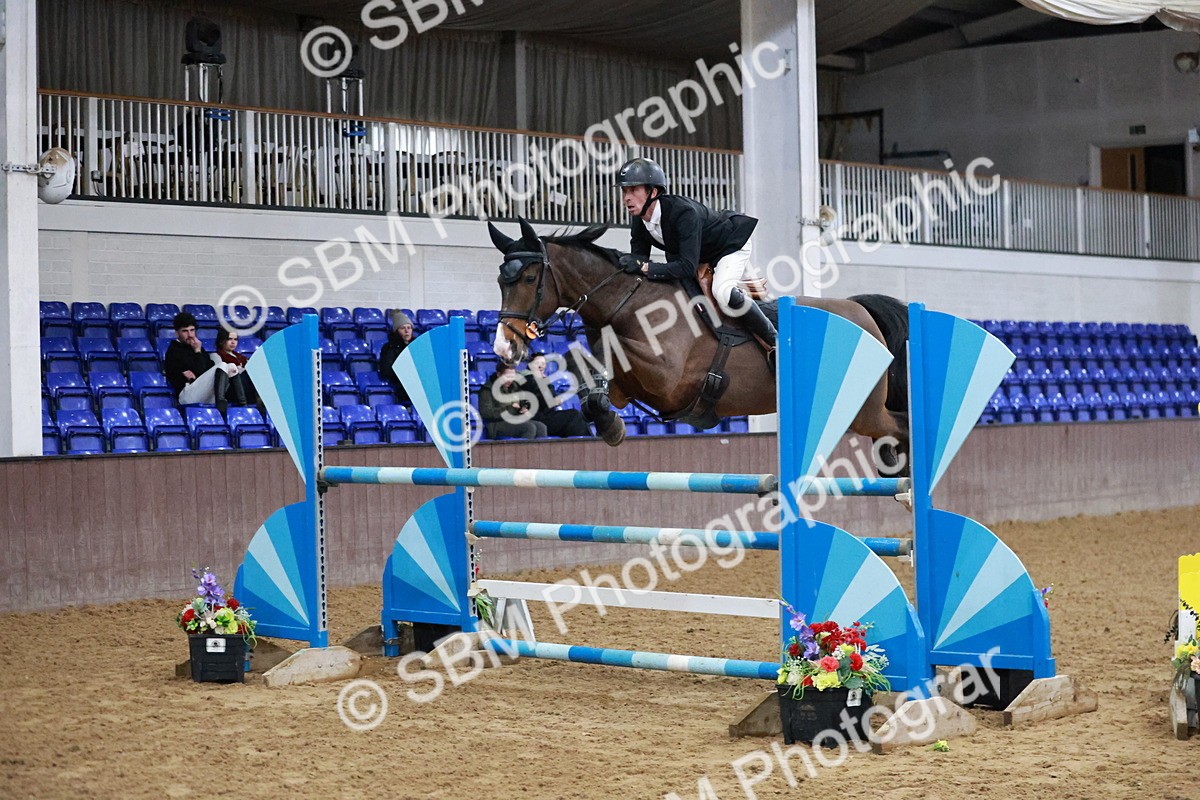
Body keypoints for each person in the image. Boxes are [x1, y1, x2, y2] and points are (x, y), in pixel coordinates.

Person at [614, 156, 777, 363]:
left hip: (729, 245)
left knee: (723, 292)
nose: (627, 197)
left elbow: (686, 266)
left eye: (634, 190)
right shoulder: (640, 220)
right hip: (700, 254)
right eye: (625, 191)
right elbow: (639, 262)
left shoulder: (683, 213)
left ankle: (775, 341)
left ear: (653, 192)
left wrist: (645, 267)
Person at [163, 311, 232, 414]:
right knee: (222, 365)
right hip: (186, 395)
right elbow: (201, 370)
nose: (190, 335)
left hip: (201, 390)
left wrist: (198, 355)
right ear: (177, 333)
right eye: (185, 331)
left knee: (231, 366)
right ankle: (220, 404)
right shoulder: (174, 351)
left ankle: (242, 403)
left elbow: (207, 368)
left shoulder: (196, 347)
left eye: (192, 330)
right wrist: (197, 352)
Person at [518, 354, 590, 438]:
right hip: (537, 417)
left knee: (574, 418)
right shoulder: (528, 379)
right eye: (538, 363)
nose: (541, 366)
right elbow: (544, 400)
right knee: (573, 416)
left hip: (546, 415)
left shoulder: (540, 380)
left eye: (543, 363)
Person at [478, 363, 546, 440]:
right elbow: (487, 413)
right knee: (529, 428)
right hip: (495, 424)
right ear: (499, 374)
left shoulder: (514, 387)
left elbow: (522, 402)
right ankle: (523, 451)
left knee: (541, 427)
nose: (510, 380)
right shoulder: (487, 390)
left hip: (514, 420)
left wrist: (523, 408)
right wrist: (510, 409)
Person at [213, 328, 257, 407]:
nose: (233, 342)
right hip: (230, 388)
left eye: (235, 339)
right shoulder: (216, 356)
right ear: (221, 340)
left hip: (245, 388)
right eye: (229, 339)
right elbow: (221, 375)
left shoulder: (240, 357)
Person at [379, 309, 416, 403]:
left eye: (409, 327)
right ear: (396, 330)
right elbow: (387, 370)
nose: (407, 331)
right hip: (399, 385)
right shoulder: (389, 347)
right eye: (403, 328)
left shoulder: (417, 346)